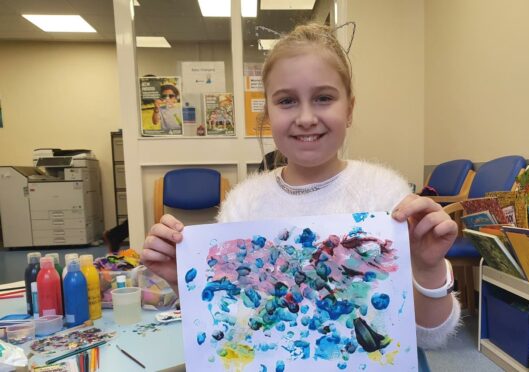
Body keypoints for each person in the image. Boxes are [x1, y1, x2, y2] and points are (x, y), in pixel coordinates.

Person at [142, 23, 460, 351]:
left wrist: (428, 267)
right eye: (287, 101)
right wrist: (182, 278)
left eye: (323, 98)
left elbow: (430, 336)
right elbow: (233, 321)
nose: (306, 117)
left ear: (349, 109)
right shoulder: (245, 204)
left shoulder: (385, 195)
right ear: (267, 113)